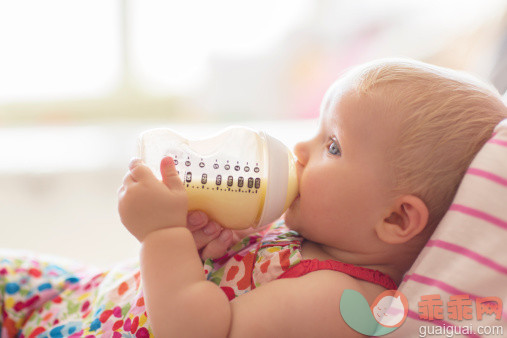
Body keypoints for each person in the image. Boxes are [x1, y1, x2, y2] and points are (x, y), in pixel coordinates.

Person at [2, 59, 506, 337]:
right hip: (81, 293)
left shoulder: (344, 301)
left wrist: (162, 235)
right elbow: (230, 280)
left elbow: (198, 330)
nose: (301, 150)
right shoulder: (312, 237)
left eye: (332, 145)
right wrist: (211, 246)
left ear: (396, 217)